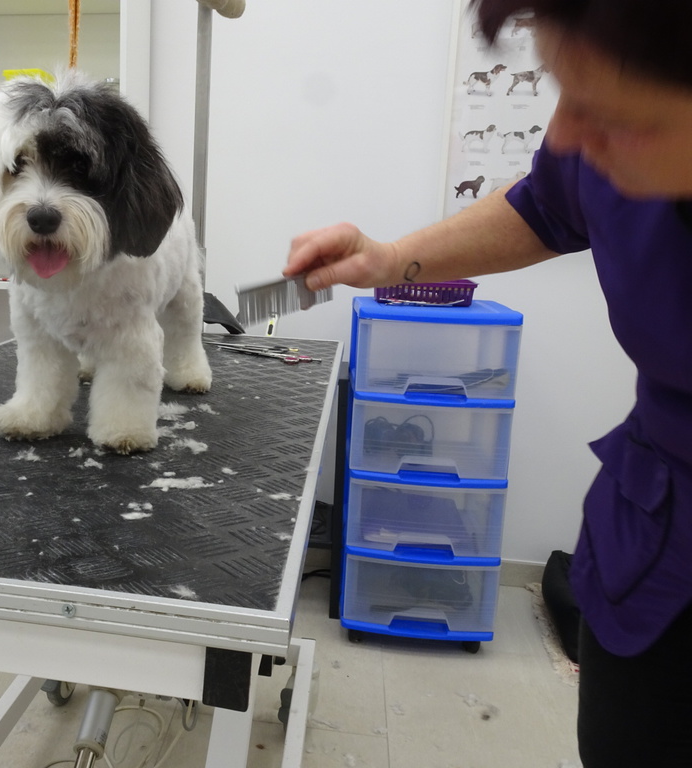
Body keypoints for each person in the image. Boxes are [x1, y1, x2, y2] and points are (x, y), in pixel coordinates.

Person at [284, 1, 692, 765]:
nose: (564, 137)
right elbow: (546, 205)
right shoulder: (597, 147)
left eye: (609, 112)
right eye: (564, 93)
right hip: (654, 528)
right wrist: (390, 260)